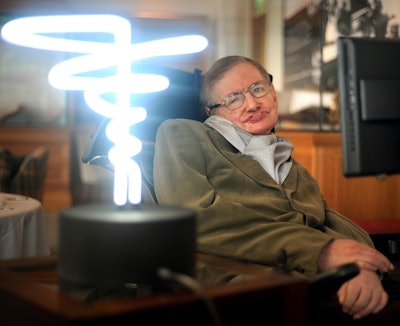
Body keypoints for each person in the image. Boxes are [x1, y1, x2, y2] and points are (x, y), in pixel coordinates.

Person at [153, 55, 398, 323]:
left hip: (309, 279)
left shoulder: (290, 164)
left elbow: (327, 220)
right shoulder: (184, 133)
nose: (252, 103)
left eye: (258, 89)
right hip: (241, 286)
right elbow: (194, 219)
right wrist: (323, 251)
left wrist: (360, 267)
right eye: (233, 99)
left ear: (273, 95)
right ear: (213, 112)